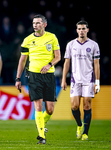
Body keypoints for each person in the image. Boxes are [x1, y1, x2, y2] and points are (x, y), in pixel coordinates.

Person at [15, 14, 61, 144]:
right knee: (38, 106)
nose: (35, 25)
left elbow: (58, 56)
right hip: (34, 76)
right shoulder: (27, 40)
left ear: (44, 24)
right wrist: (18, 78)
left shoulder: (52, 37)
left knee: (50, 109)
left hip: (49, 76)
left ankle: (40, 123)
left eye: (38, 23)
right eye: (34, 23)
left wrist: (49, 65)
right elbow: (22, 60)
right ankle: (41, 136)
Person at [61, 20, 100, 141]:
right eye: (79, 29)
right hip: (75, 80)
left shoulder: (93, 45)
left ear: (87, 30)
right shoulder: (71, 45)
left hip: (89, 79)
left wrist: (97, 82)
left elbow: (97, 64)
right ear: (76, 30)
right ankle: (79, 124)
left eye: (84, 28)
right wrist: (63, 79)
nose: (81, 31)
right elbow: (66, 63)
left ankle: (85, 133)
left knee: (87, 105)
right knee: (74, 106)